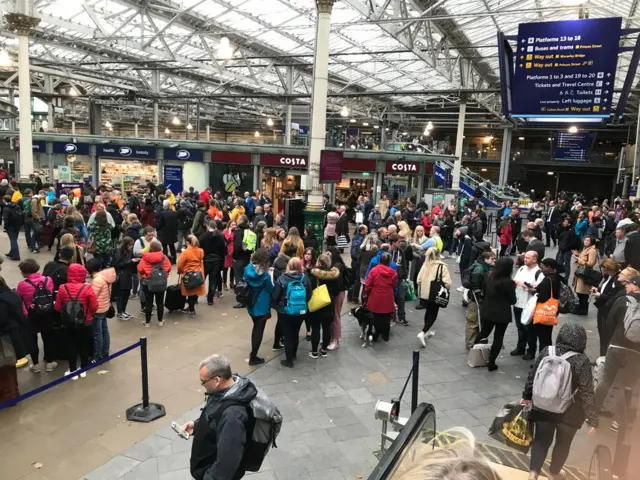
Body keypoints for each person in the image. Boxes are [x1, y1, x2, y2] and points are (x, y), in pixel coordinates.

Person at [522, 323, 598, 480]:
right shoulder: (581, 360)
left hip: (543, 406)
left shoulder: (547, 351)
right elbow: (587, 392)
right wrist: (592, 419)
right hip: (570, 413)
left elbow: (533, 376)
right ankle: (554, 473)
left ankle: (533, 474)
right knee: (563, 444)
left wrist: (526, 396)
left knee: (541, 441)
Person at [182, 355, 259, 480]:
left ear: (217, 380)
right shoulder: (224, 392)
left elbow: (228, 461)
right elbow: (215, 417)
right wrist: (196, 426)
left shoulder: (232, 415)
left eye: (203, 382)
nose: (202, 385)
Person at [594, 275, 640, 420]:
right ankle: (622, 419)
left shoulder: (622, 301)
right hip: (636, 351)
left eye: (629, 284)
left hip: (617, 345)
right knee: (628, 385)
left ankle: (594, 409)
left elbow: (609, 324)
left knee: (606, 379)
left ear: (636, 286)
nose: (626, 286)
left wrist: (608, 344)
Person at [55, 263, 98, 379]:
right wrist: (88, 313)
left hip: (68, 322)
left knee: (70, 345)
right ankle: (83, 368)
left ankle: (72, 369)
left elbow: (57, 307)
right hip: (85, 321)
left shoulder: (62, 288)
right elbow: (94, 306)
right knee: (83, 344)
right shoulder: (87, 287)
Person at [475, 257, 517, 371]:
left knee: (484, 332)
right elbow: (513, 300)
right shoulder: (509, 282)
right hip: (502, 313)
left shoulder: (488, 276)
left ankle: (473, 348)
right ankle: (491, 362)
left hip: (488, 309)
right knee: (498, 337)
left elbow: (484, 291)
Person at [16, 259, 56, 373]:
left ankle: (36, 364)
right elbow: (51, 292)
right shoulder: (48, 280)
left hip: (32, 314)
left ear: (25, 272)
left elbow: (20, 300)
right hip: (47, 311)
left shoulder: (23, 285)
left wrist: (25, 313)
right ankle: (50, 362)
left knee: (32, 340)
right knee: (48, 337)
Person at [271, 257, 312, 368]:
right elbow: (309, 295)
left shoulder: (281, 279)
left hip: (285, 311)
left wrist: (278, 306)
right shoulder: (304, 278)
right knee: (295, 332)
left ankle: (289, 360)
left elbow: (275, 296)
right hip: (300, 311)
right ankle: (293, 355)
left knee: (288, 335)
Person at [0, 275, 29, 405]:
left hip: (4, 339)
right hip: (12, 337)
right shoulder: (10, 295)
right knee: (9, 368)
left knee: (5, 369)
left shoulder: (2, 302)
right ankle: (13, 393)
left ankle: (9, 397)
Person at [528, 258, 564, 358]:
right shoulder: (556, 277)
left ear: (549, 267)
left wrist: (535, 293)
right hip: (552, 310)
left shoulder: (548, 280)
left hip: (545, 311)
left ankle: (542, 359)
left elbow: (542, 297)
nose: (541, 269)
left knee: (543, 338)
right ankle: (548, 356)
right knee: (547, 336)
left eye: (543, 267)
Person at [244, 248, 274, 365]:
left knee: (255, 327)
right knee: (259, 330)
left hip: (251, 303)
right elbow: (270, 289)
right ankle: (254, 356)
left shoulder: (248, 269)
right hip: (262, 306)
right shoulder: (265, 276)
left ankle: (253, 353)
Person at [416, 247, 451, 346]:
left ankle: (425, 331)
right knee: (433, 315)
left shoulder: (425, 265)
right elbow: (447, 283)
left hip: (424, 295)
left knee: (428, 312)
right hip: (435, 294)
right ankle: (423, 332)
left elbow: (418, 280)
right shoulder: (442, 266)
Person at [308, 252, 341, 357]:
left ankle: (314, 352)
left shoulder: (313, 274)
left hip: (317, 304)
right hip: (328, 303)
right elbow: (337, 290)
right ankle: (324, 350)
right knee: (326, 327)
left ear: (319, 261)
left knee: (316, 328)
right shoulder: (333, 275)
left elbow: (310, 288)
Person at [511, 251, 543, 358]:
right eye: (525, 257)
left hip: (529, 306)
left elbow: (537, 289)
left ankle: (531, 351)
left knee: (529, 329)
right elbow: (515, 280)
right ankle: (520, 347)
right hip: (518, 302)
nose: (525, 259)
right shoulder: (522, 268)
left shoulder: (539, 272)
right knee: (519, 326)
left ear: (534, 259)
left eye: (527, 258)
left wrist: (526, 286)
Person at [363, 251, 397, 343]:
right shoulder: (393, 272)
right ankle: (385, 335)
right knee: (386, 317)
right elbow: (394, 285)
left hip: (375, 296)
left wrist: (367, 292)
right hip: (388, 297)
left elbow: (368, 283)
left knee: (375, 316)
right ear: (389, 262)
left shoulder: (374, 271)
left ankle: (376, 334)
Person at [86, 257, 116, 361]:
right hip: (105, 307)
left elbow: (93, 296)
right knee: (105, 331)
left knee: (97, 334)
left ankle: (97, 355)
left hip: (97, 310)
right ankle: (105, 352)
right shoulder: (106, 277)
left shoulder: (97, 280)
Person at [592, 258, 623, 356]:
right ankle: (602, 356)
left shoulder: (617, 280)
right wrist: (598, 289)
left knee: (606, 336)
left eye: (606, 270)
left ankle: (604, 357)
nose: (604, 272)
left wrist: (600, 295)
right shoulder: (609, 277)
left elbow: (614, 296)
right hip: (602, 308)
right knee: (602, 334)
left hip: (608, 310)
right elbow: (605, 288)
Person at [465, 251, 495, 350]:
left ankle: (474, 341)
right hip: (475, 299)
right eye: (492, 259)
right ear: (485, 259)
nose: (494, 260)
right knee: (473, 321)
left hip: (478, 298)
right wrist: (480, 298)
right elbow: (476, 285)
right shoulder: (479, 269)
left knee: (476, 321)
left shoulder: (484, 267)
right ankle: (470, 343)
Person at [137, 240, 172, 327]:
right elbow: (169, 267)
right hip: (161, 282)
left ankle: (147, 323)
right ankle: (160, 321)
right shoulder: (164, 257)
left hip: (148, 283)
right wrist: (165, 275)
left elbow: (140, 269)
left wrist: (145, 274)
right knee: (160, 302)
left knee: (149, 302)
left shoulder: (145, 258)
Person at [199, 219, 227, 306]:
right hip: (217, 261)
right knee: (213, 280)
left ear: (208, 226)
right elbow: (224, 250)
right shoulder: (220, 236)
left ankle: (195, 297)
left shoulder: (203, 236)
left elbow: (199, 248)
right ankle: (210, 299)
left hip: (206, 260)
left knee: (201, 279)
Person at [178, 235, 206, 318]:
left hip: (188, 274)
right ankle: (191, 308)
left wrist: (180, 272)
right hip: (197, 274)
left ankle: (191, 310)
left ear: (187, 242)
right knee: (194, 292)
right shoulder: (201, 250)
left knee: (189, 292)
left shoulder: (186, 252)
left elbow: (179, 265)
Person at [113, 237, 139, 320]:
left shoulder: (128, 252)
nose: (131, 246)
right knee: (121, 295)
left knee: (126, 294)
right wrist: (131, 261)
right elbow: (116, 264)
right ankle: (120, 312)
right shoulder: (118, 252)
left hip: (127, 275)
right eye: (130, 245)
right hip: (121, 276)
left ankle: (123, 310)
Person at [233, 215, 255, 308]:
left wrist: (234, 256)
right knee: (246, 278)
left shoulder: (238, 232)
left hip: (239, 259)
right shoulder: (249, 231)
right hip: (247, 257)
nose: (237, 220)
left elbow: (237, 246)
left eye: (238, 219)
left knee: (239, 280)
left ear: (241, 221)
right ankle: (248, 297)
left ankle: (242, 300)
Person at [573, 235, 598, 316]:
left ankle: (583, 309)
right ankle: (581, 307)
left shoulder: (592, 250)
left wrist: (579, 260)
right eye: (585, 240)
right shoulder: (586, 248)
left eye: (588, 241)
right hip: (581, 272)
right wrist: (578, 255)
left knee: (583, 293)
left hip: (586, 273)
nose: (586, 242)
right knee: (579, 292)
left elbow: (590, 263)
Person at [327, 247, 346, 349]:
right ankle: (332, 338)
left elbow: (337, 284)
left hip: (337, 294)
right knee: (334, 316)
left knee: (335, 316)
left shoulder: (336, 267)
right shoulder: (338, 264)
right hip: (337, 293)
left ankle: (335, 340)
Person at [358, 233, 379, 301]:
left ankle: (363, 302)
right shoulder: (375, 249)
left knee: (364, 286)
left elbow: (359, 259)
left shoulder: (362, 248)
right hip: (370, 269)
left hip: (362, 268)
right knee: (369, 287)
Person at [3, 195, 23, 261]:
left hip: (10, 226)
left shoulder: (6, 209)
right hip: (17, 225)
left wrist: (5, 227)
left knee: (13, 240)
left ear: (4, 200)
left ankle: (16, 255)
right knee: (14, 239)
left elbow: (5, 219)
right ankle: (12, 252)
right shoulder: (17, 206)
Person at [223, 221, 236, 291]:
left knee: (233, 268)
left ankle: (231, 282)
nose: (234, 226)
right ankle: (224, 283)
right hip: (227, 251)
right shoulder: (225, 231)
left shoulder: (236, 232)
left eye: (235, 224)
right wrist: (229, 233)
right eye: (232, 224)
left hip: (233, 251)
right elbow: (225, 240)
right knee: (225, 268)